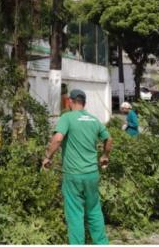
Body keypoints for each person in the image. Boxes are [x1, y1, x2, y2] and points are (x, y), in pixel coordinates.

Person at [42, 89, 112, 245]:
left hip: (73, 175)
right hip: (92, 174)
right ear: (84, 103)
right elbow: (109, 139)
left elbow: (58, 139)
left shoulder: (67, 118)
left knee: (75, 214)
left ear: (69, 101)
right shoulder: (94, 120)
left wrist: (48, 157)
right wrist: (105, 156)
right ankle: (101, 243)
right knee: (94, 210)